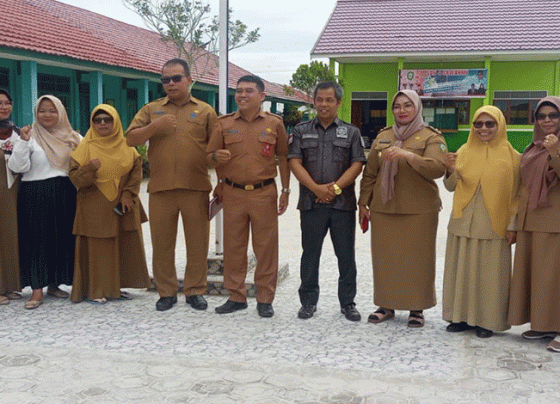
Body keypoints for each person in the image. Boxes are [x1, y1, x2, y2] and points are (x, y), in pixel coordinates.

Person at [126, 58, 218, 312]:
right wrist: (156, 125)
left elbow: (217, 149)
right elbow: (130, 139)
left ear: (189, 80)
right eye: (166, 79)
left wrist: (222, 184)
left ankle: (195, 291)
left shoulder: (205, 111)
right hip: (161, 189)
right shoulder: (151, 109)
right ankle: (166, 292)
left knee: (197, 244)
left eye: (177, 78)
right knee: (162, 244)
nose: (171, 83)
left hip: (195, 187)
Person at [358, 90, 447, 328]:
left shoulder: (431, 137)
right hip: (384, 208)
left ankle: (416, 308)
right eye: (397, 106)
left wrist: (407, 155)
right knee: (385, 259)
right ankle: (386, 305)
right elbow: (370, 173)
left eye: (408, 105)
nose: (402, 110)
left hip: (419, 210)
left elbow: (437, 169)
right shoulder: (384, 136)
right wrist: (363, 202)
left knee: (417, 260)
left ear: (417, 108)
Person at [207, 75, 290, 318]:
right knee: (234, 247)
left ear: (262, 96)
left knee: (265, 247)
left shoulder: (274, 124)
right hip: (232, 192)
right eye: (239, 90)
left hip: (264, 192)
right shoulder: (223, 124)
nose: (242, 95)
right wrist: (216, 160)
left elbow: (284, 157)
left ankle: (265, 298)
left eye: (249, 91)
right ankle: (236, 296)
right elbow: (208, 155)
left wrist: (285, 190)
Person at [288, 81, 365, 321]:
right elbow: (294, 161)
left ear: (338, 102)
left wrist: (333, 188)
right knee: (310, 253)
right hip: (311, 204)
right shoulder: (300, 130)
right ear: (313, 101)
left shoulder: (351, 132)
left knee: (346, 255)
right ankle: (308, 302)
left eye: (329, 100)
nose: (323, 104)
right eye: (319, 99)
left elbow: (357, 163)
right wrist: (315, 189)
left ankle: (348, 303)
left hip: (342, 206)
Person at [442, 106, 520, 338]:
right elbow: (450, 186)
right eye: (478, 124)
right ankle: (460, 317)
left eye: (489, 124)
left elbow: (518, 196)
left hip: (494, 226)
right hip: (462, 222)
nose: (483, 129)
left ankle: (487, 321)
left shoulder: (513, 158)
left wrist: (512, 225)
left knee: (489, 276)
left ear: (500, 126)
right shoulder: (464, 151)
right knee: (461, 272)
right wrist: (450, 170)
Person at [70, 104, 150, 303]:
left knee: (123, 245)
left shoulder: (127, 145)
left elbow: (136, 172)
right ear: (92, 123)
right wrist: (89, 168)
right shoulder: (85, 147)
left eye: (108, 119)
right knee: (98, 248)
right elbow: (75, 179)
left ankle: (116, 287)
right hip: (94, 204)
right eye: (98, 120)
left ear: (115, 122)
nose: (103, 123)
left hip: (122, 203)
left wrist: (128, 194)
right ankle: (97, 290)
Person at [8, 95, 80, 309]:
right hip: (35, 194)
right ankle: (37, 289)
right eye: (42, 110)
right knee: (36, 242)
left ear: (61, 112)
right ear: (36, 113)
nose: (47, 115)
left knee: (62, 239)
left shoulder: (74, 137)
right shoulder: (29, 137)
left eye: (52, 110)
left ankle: (55, 284)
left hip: (65, 193)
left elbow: (85, 162)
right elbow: (17, 167)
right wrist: (22, 142)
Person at [508, 96, 560, 352]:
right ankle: (543, 324)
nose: (547, 120)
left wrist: (555, 152)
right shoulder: (533, 147)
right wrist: (516, 221)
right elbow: (524, 186)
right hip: (531, 220)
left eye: (553, 115)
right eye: (541, 116)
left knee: (555, 277)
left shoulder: (553, 147)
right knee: (539, 278)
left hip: (554, 223)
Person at [0, 89, 21, 305]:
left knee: (11, 238)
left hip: (13, 191)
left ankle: (11, 285)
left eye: (7, 103)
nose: (4, 107)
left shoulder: (16, 132)